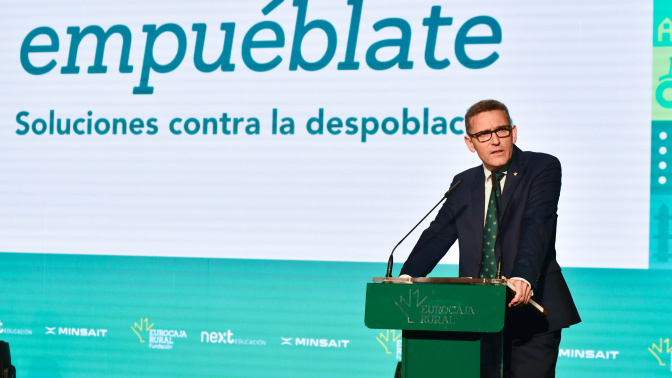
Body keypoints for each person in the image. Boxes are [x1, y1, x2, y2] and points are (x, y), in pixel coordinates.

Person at [399, 99, 581, 377]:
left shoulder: (541, 167)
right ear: (471, 143)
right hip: (476, 315)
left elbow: (537, 226)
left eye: (501, 131)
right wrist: (406, 277)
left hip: (530, 315)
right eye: (483, 134)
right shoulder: (464, 182)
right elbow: (437, 235)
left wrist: (523, 276)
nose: (495, 140)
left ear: (514, 133)